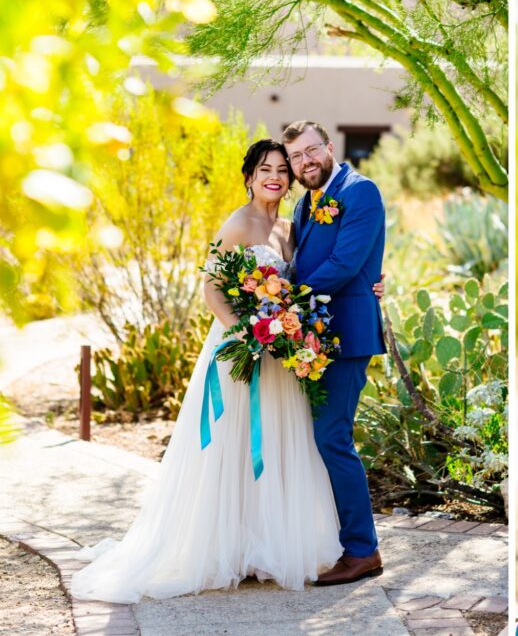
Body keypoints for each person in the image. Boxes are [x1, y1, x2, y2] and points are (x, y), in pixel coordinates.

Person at [71, 139, 384, 603]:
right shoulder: (238, 223)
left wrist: (369, 280)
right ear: (249, 177)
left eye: (283, 168)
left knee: (281, 444)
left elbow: (313, 271)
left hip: (280, 348)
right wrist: (247, 332)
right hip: (243, 347)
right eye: (266, 169)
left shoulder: (291, 223)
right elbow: (211, 289)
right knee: (231, 446)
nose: (276, 176)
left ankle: (264, 546)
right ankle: (225, 548)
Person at [282, 121, 387, 586]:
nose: (304, 162)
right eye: (295, 158)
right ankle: (336, 541)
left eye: (310, 151)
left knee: (333, 439)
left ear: (328, 147)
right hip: (311, 336)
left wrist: (282, 299)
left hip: (345, 337)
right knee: (318, 439)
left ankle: (363, 551)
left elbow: (346, 263)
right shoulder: (306, 203)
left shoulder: (360, 192)